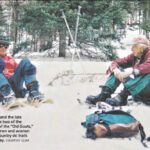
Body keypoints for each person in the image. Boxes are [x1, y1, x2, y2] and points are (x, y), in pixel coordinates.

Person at [86, 36, 150, 106]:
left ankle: (123, 96)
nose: (131, 49)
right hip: (139, 90)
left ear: (141, 47)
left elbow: (147, 66)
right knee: (118, 68)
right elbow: (117, 62)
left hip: (147, 91)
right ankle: (105, 94)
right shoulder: (135, 55)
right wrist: (115, 69)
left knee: (146, 72)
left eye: (134, 47)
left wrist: (131, 71)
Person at [0, 39, 43, 106]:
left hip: (14, 85)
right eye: (1, 46)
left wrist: (30, 69)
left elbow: (23, 71)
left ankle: (34, 92)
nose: (3, 48)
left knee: (26, 62)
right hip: (2, 88)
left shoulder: (10, 59)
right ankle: (7, 96)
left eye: (6, 46)